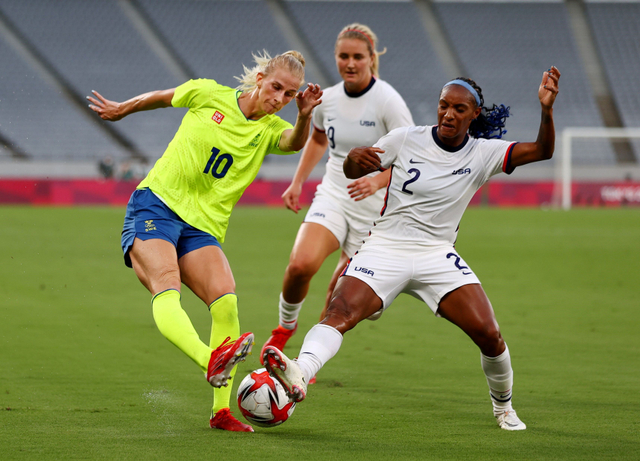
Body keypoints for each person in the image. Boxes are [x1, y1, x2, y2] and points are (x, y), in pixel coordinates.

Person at [264, 67, 561, 431]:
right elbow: (354, 169)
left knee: (489, 333)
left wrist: (546, 110)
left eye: (459, 109)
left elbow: (543, 150)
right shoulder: (405, 139)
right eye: (443, 106)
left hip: (437, 254)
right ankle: (299, 371)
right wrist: (356, 158)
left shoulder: (484, 153)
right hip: (385, 246)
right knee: (339, 312)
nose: (449, 114)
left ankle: (504, 408)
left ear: (474, 114)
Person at [86, 50, 322, 432]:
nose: (279, 99)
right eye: (276, 87)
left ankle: (220, 412)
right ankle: (207, 358)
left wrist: (306, 114)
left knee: (225, 300)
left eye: (290, 95)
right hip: (156, 206)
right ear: (260, 78)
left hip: (202, 228)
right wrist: (122, 110)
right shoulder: (207, 94)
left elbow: (295, 143)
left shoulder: (266, 131)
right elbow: (162, 97)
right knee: (167, 284)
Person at [261, 24, 414, 365]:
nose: (350, 63)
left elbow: (412, 155)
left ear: (371, 59)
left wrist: (377, 181)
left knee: (340, 296)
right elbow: (318, 139)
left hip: (375, 211)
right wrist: (298, 181)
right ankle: (285, 328)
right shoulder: (327, 99)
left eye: (358, 56)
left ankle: (305, 361)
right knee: (301, 265)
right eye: (343, 56)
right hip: (334, 194)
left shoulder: (388, 101)